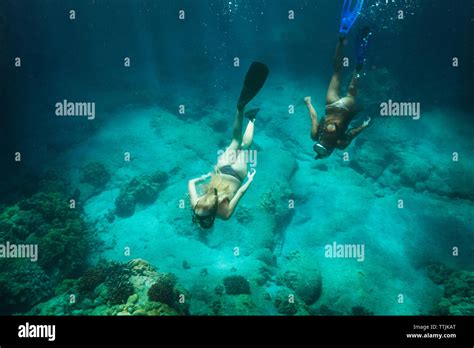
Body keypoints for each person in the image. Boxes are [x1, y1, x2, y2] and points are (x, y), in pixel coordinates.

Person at [188, 62, 269, 229]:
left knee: (245, 146)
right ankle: (240, 109)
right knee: (235, 140)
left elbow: (240, 193)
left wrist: (251, 180)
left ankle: (252, 119)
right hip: (220, 168)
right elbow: (190, 183)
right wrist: (202, 178)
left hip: (237, 175)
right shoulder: (195, 205)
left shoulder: (224, 215)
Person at [305, 1, 372, 160]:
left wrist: (365, 125)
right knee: (337, 71)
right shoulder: (315, 136)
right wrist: (308, 102)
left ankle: (359, 65)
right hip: (331, 104)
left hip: (345, 109)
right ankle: (342, 39)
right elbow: (314, 117)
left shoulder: (340, 145)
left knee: (352, 90)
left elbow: (353, 132)